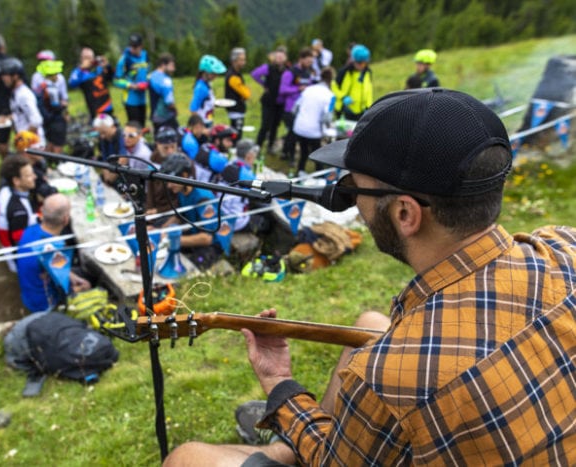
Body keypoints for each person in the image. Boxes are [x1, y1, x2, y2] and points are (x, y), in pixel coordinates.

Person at [163, 88, 576, 466]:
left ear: (404, 214)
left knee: (187, 457)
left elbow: (334, 463)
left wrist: (280, 385)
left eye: (355, 188)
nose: (349, 200)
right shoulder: (563, 246)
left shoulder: (388, 376)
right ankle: (285, 449)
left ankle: (280, 448)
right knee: (371, 325)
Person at [16, 194, 90, 313]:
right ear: (66, 219)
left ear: (42, 212)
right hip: (44, 305)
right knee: (89, 283)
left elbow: (57, 269)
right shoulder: (55, 249)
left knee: (78, 274)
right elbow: (63, 286)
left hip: (28, 292)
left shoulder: (31, 230)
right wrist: (81, 288)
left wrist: (73, 277)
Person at [159, 153, 223, 270]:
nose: (168, 186)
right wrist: (161, 230)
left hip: (212, 244)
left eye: (171, 181)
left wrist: (171, 240)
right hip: (194, 231)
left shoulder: (203, 199)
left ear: (184, 175)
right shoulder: (182, 190)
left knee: (189, 268)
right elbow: (179, 216)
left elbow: (207, 238)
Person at [0, 154, 38, 271]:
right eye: (29, 175)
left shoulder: (5, 189)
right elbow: (23, 245)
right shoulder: (19, 211)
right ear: (16, 181)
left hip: (6, 242)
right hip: (19, 259)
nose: (35, 177)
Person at [292, 67, 335, 175]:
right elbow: (327, 118)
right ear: (331, 81)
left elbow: (294, 108)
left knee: (303, 152)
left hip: (299, 127)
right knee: (317, 154)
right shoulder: (330, 96)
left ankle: (300, 171)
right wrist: (329, 127)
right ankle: (319, 175)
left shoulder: (308, 89)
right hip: (314, 131)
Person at [279, 47, 315, 165]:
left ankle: (284, 152)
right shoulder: (290, 72)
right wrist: (298, 88)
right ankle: (291, 158)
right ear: (301, 59)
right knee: (294, 133)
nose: (310, 64)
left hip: (302, 108)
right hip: (289, 108)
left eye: (311, 62)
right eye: (308, 61)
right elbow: (283, 89)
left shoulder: (308, 72)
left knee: (292, 133)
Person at [0, 57, 45, 146]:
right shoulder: (15, 92)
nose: (3, 78)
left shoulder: (24, 95)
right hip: (26, 144)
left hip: (33, 146)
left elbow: (36, 120)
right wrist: (8, 118)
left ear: (15, 76)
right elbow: (20, 112)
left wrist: (22, 140)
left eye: (5, 75)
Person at [251, 46, 287, 154]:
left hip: (280, 102)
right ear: (274, 57)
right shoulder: (268, 67)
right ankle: (257, 147)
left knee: (275, 125)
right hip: (268, 101)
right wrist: (264, 84)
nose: (279, 58)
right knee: (265, 125)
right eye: (278, 56)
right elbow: (255, 74)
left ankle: (270, 146)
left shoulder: (287, 70)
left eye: (282, 57)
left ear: (285, 58)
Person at [68, 47, 114, 122]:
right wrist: (81, 68)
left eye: (90, 58)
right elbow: (72, 83)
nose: (88, 60)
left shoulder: (99, 68)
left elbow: (112, 77)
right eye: (85, 58)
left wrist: (108, 65)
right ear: (81, 59)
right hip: (95, 109)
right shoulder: (79, 72)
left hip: (107, 106)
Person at [113, 34, 150, 126]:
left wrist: (147, 83)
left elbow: (147, 72)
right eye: (131, 46)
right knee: (134, 126)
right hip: (130, 99)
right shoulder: (124, 59)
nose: (132, 49)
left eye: (135, 47)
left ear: (141, 46)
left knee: (142, 126)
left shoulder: (145, 55)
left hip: (142, 98)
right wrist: (132, 85)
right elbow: (116, 81)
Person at [146, 126, 180, 222]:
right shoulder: (153, 159)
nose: (170, 151)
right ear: (157, 145)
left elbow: (181, 199)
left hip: (172, 211)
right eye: (165, 148)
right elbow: (150, 187)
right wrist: (149, 208)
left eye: (173, 146)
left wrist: (159, 211)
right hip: (155, 207)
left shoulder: (182, 164)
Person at [33, 59, 68, 154]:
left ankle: (48, 162)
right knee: (58, 144)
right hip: (56, 120)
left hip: (47, 119)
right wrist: (63, 106)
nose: (57, 76)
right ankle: (56, 163)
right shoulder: (52, 88)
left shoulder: (41, 86)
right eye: (56, 74)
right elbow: (55, 106)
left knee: (51, 142)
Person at [103, 120, 152, 186]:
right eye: (124, 135)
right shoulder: (131, 146)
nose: (126, 138)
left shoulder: (142, 155)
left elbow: (137, 181)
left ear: (140, 135)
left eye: (131, 135)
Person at [332, 44, 373, 121]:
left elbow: (369, 91)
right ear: (353, 61)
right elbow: (334, 87)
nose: (362, 66)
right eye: (359, 63)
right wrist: (343, 97)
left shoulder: (368, 73)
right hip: (345, 110)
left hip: (362, 111)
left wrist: (369, 107)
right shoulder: (344, 72)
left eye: (364, 63)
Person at [190, 55, 227, 128]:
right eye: (213, 73)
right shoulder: (201, 88)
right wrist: (201, 128)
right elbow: (193, 109)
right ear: (205, 72)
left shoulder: (207, 84)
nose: (216, 75)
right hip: (203, 124)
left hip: (208, 120)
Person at [225, 47, 251, 140]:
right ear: (234, 61)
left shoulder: (236, 74)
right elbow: (246, 94)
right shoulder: (233, 76)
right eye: (241, 60)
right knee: (236, 135)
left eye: (244, 59)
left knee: (236, 133)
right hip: (236, 110)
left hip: (237, 109)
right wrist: (247, 91)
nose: (244, 62)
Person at [149, 53, 178, 131]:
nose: (174, 69)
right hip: (166, 117)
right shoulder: (165, 80)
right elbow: (169, 102)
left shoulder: (152, 76)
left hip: (155, 117)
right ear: (163, 65)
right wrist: (175, 110)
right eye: (171, 66)